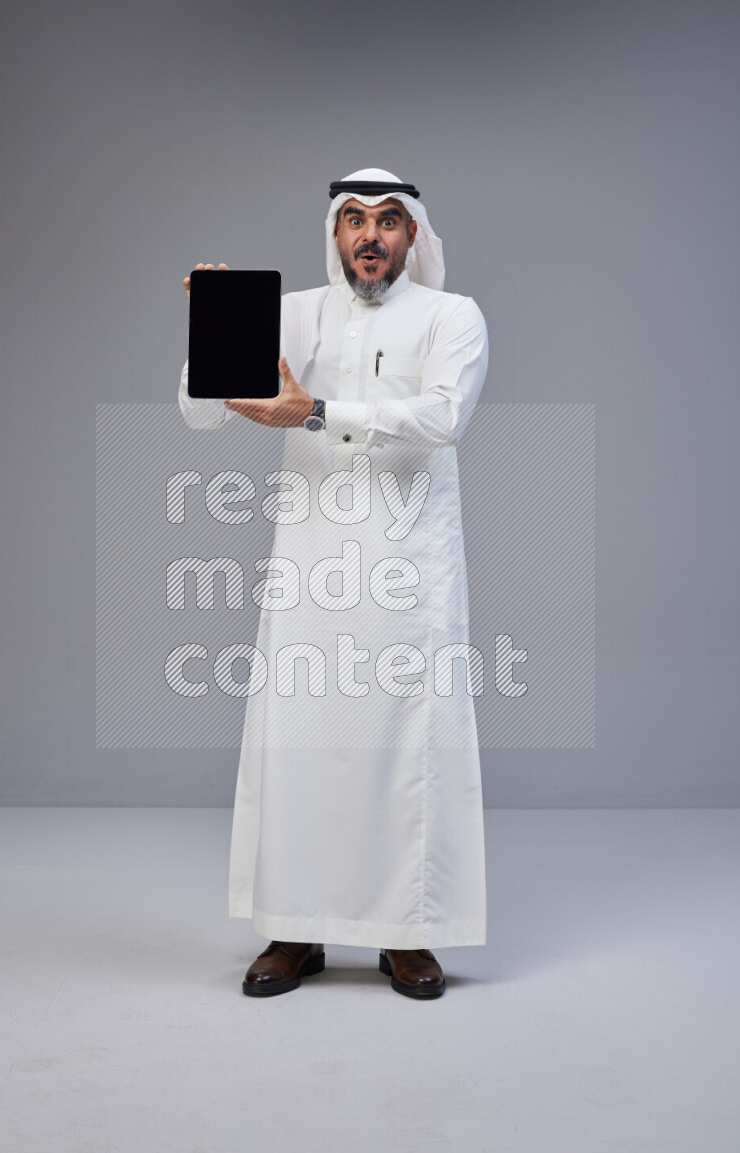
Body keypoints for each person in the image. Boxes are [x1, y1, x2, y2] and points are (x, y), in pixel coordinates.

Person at [178, 168, 488, 999]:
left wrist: (315, 412)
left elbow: (443, 417)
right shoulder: (298, 313)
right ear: (336, 233)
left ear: (413, 233)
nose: (370, 235)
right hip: (309, 566)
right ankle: (295, 928)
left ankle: (407, 934)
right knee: (300, 746)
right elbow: (203, 409)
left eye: (388, 220)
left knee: (405, 750)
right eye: (354, 219)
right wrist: (214, 325)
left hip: (408, 573)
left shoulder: (451, 316)